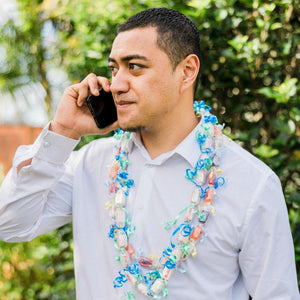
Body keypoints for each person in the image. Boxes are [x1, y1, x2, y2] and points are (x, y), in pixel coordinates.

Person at [0, 7, 299, 300]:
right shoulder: (90, 164)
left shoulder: (251, 184)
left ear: (187, 71)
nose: (116, 84)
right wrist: (63, 131)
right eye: (114, 68)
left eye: (135, 67)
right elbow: (9, 224)